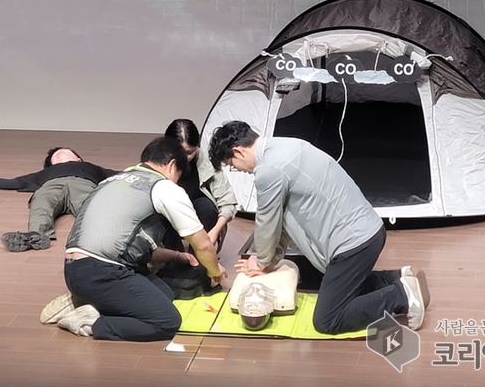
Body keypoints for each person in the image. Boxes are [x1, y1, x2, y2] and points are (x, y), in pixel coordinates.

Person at [208, 121, 430, 335]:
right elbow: (280, 219)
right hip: (370, 231)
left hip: (354, 245)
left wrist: (262, 261)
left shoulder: (268, 171)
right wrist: (270, 260)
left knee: (328, 319)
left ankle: (401, 295)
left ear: (238, 152)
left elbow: (267, 222)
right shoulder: (288, 145)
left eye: (232, 166)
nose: (238, 170)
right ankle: (398, 277)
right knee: (338, 284)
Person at [55, 136, 227, 342]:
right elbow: (203, 244)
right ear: (172, 165)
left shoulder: (113, 180)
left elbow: (127, 245)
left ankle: (88, 300)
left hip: (74, 270)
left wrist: (177, 256)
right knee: (166, 321)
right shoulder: (163, 187)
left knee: (165, 294)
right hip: (103, 272)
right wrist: (214, 271)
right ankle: (91, 321)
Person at [0, 147, 117, 252]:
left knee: (89, 205)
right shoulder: (44, 174)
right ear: (51, 165)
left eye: (64, 151)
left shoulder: (91, 167)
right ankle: (35, 235)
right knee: (41, 204)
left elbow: (124, 175)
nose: (59, 152)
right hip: (51, 185)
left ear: (78, 159)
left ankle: (105, 234)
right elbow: (15, 182)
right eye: (55, 155)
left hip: (82, 183)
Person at [164, 118, 237, 251]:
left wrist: (215, 231)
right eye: (180, 152)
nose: (185, 157)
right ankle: (173, 256)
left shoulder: (209, 162)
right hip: (169, 218)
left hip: (199, 219)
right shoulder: (156, 161)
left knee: (205, 206)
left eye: (190, 152)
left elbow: (228, 202)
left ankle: (199, 256)